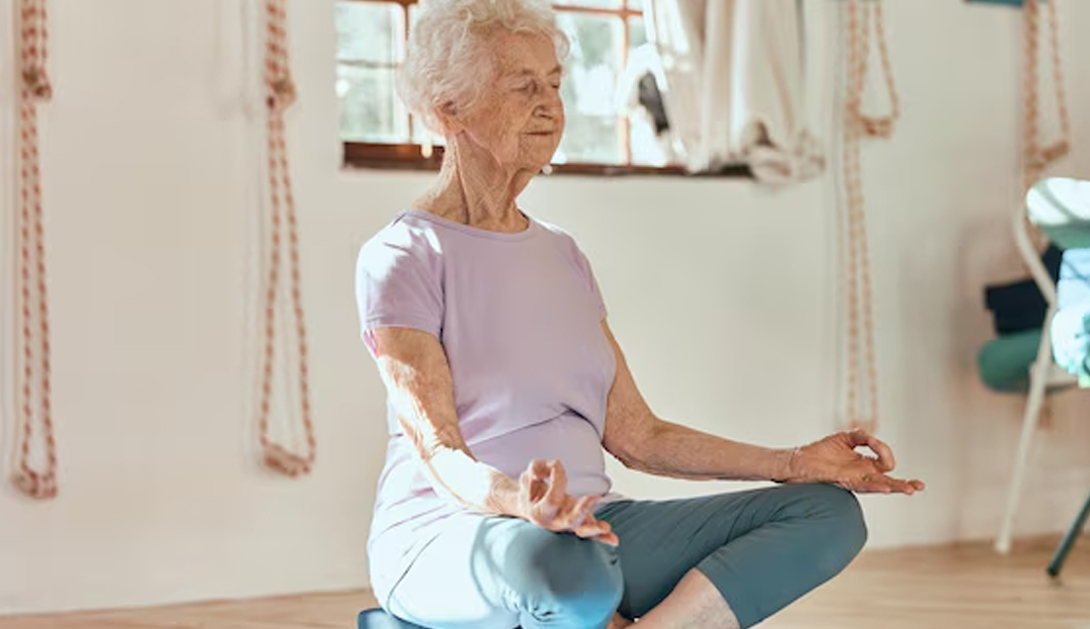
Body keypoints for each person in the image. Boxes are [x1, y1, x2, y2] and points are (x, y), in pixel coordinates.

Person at [353, 1, 924, 627]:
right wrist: (520, 503)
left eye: (554, 84)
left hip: (589, 525)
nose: (549, 104)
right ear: (449, 107)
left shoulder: (561, 253)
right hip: (456, 532)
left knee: (827, 513)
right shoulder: (404, 255)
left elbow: (638, 436)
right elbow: (438, 450)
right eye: (522, 86)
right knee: (568, 567)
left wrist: (794, 463)